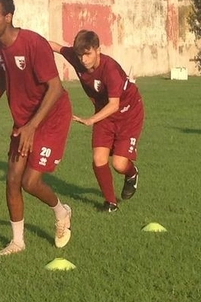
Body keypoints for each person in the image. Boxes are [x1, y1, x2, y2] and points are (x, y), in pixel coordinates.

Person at [0, 0, 74, 256]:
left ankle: (61, 212)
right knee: (12, 179)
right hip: (25, 120)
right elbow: (2, 82)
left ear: (8, 17)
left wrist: (32, 127)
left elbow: (55, 88)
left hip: (52, 116)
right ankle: (17, 242)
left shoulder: (33, 43)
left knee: (30, 182)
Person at [49, 30, 145, 212]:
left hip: (128, 114)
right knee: (98, 159)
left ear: (98, 50)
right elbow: (54, 46)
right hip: (104, 114)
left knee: (119, 164)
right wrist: (28, 43)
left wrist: (90, 120)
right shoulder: (77, 58)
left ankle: (132, 174)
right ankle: (110, 203)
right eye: (80, 55)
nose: (83, 59)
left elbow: (114, 104)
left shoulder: (110, 70)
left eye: (88, 54)